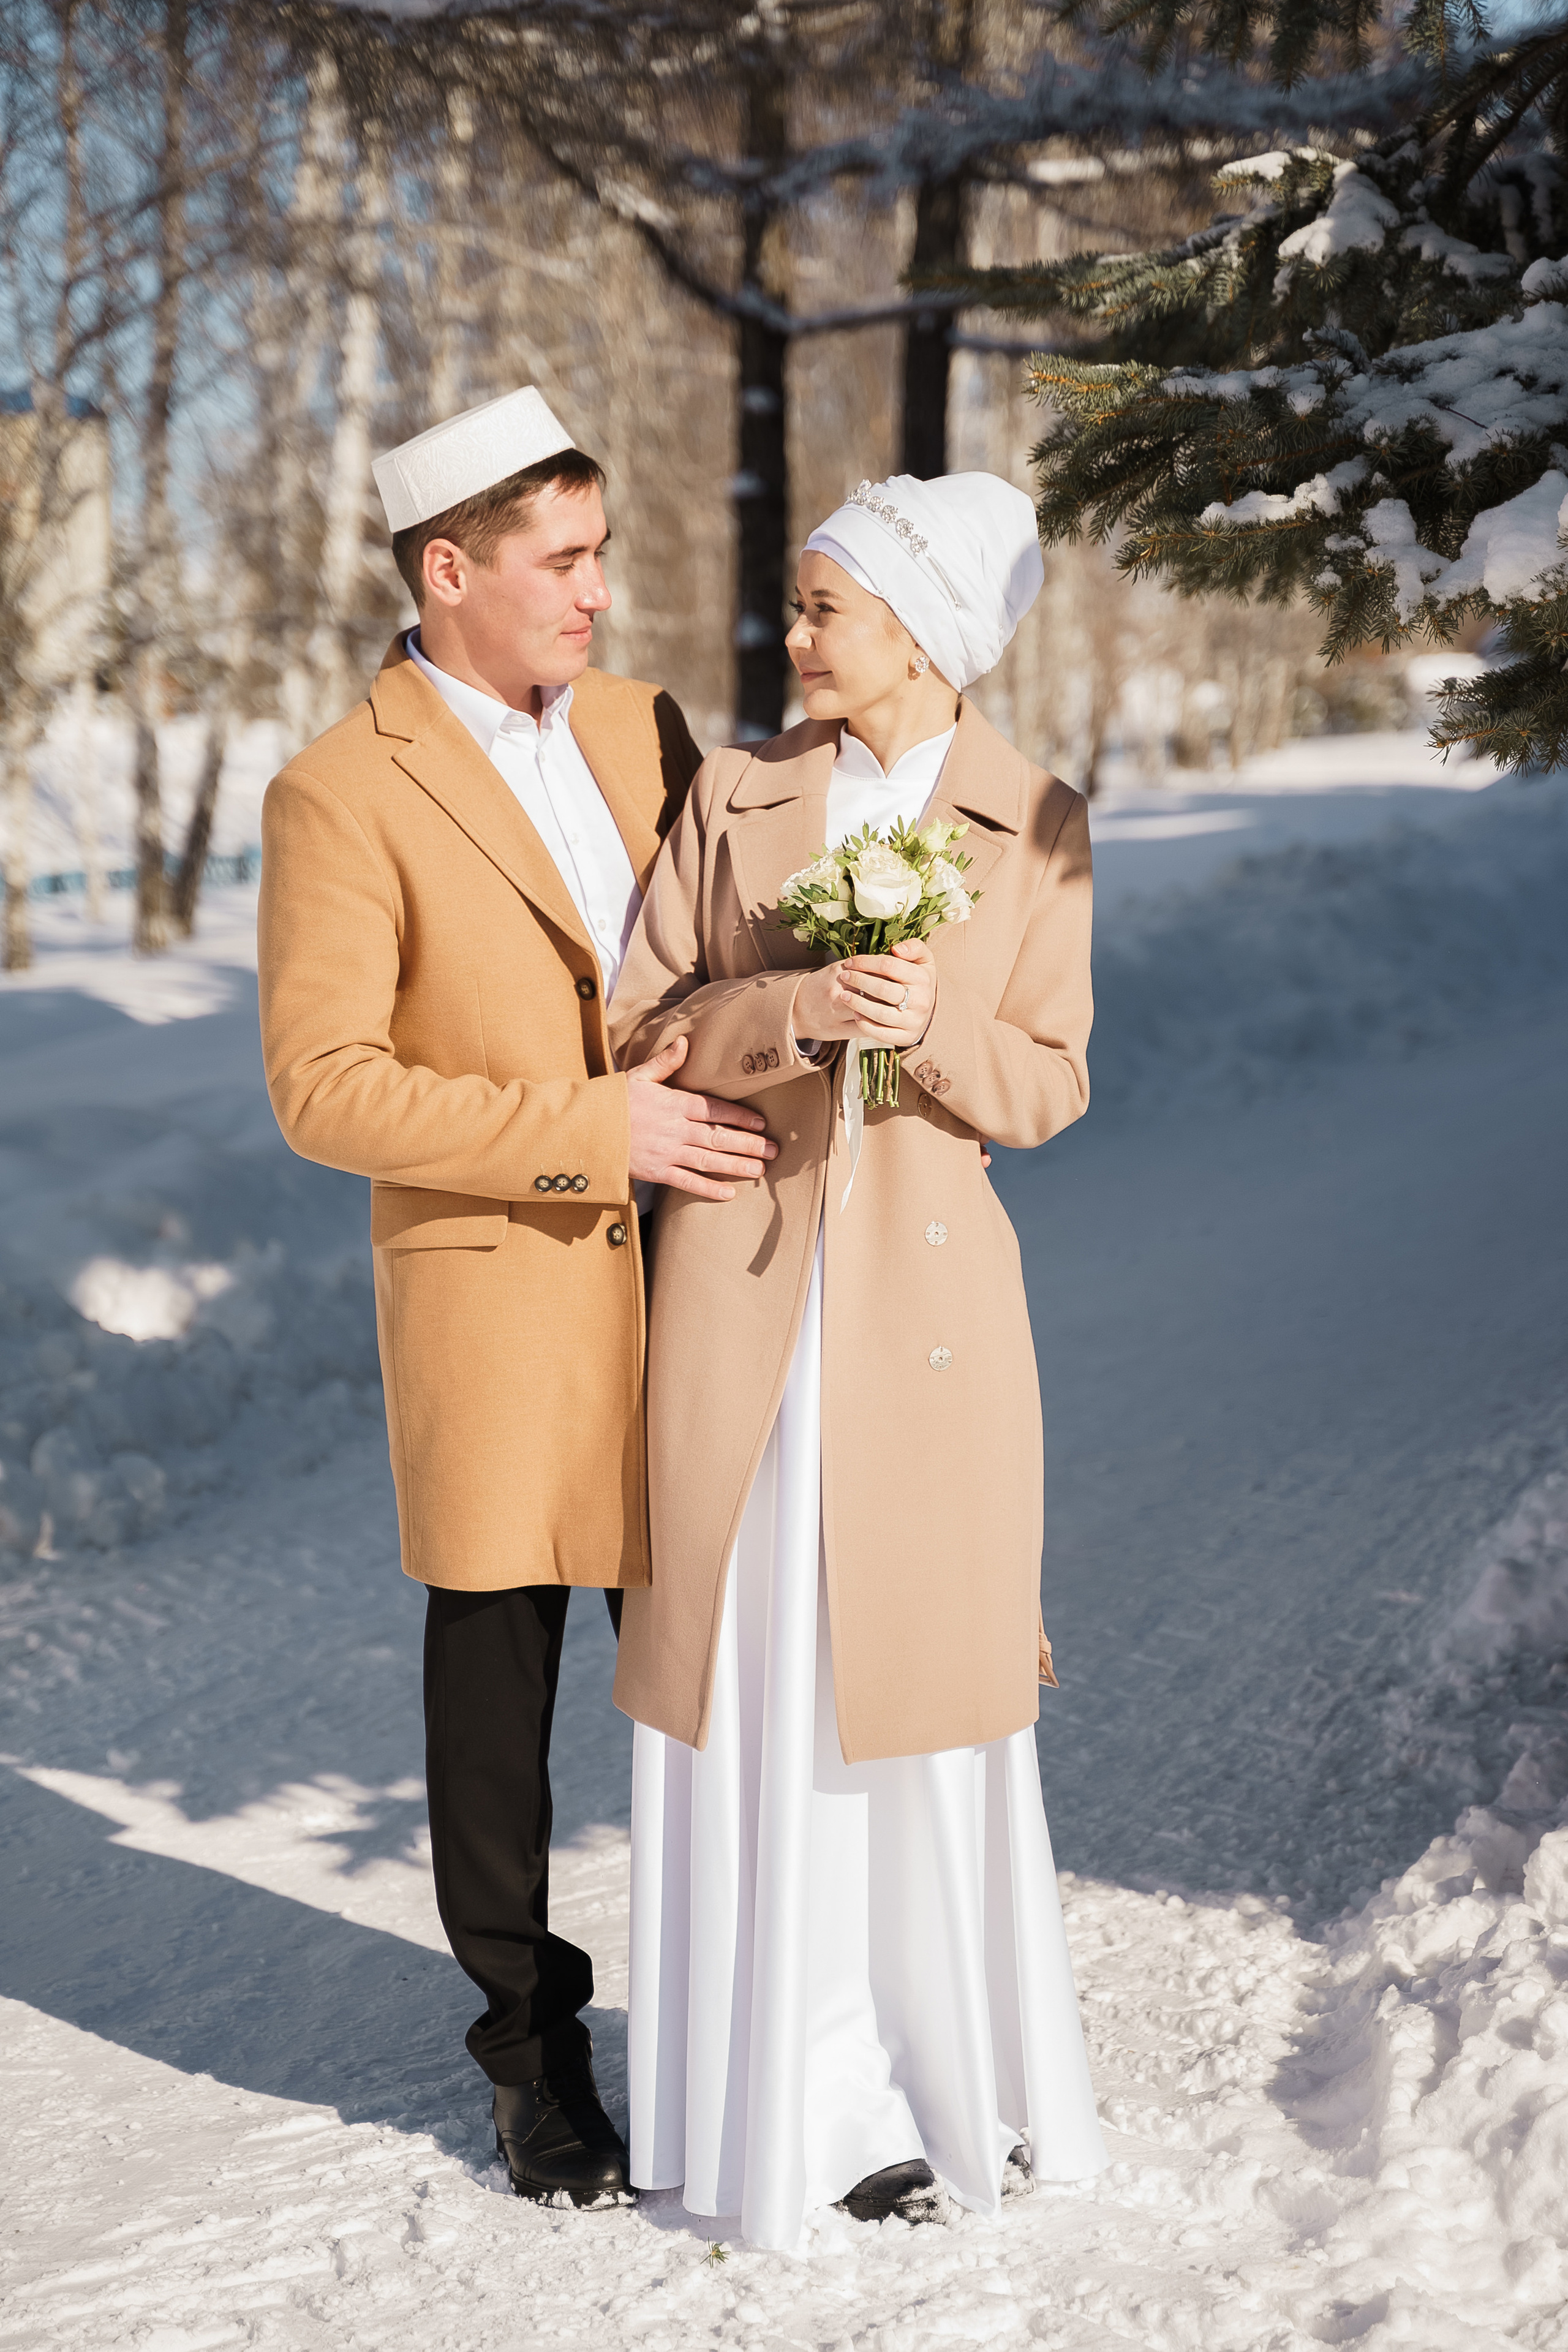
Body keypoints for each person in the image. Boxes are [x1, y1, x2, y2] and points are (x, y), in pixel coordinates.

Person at [257, 386, 777, 2211]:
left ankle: (760, 2022)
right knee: (499, 1684)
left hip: (705, 1270)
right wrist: (590, 1126)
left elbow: (735, 946)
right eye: (563, 561)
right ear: (452, 569)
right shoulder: (336, 789)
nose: (596, 594)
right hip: (501, 1292)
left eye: (605, 553)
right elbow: (322, 1085)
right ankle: (530, 2050)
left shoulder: (649, 728)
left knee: (735, 1661)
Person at [608, 470, 1108, 2249]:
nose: (794, 632)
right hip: (747, 1293)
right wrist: (796, 1011)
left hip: (936, 1315)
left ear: (922, 627)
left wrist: (935, 1018)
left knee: (914, 1682)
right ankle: (783, 2097)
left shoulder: (1033, 816)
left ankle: (933, 2080)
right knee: (762, 1681)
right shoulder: (734, 798)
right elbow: (640, 1025)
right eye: (803, 605)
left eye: (826, 607)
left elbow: (1050, 1080)